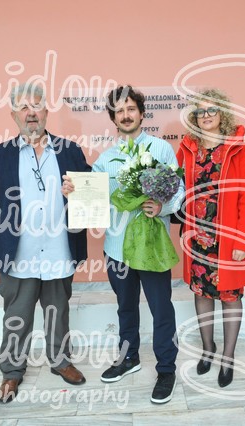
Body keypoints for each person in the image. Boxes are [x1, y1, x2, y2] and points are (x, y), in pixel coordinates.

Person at [63, 85, 183, 404]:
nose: (126, 115)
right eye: (119, 111)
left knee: (161, 309)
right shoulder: (105, 160)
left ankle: (166, 369)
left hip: (152, 247)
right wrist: (75, 193)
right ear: (113, 118)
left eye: (131, 109)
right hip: (116, 248)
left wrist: (162, 206)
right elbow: (95, 202)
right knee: (125, 308)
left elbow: (179, 192)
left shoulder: (161, 150)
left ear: (142, 114)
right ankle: (128, 358)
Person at [0, 84, 90, 404]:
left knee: (58, 310)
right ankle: (12, 370)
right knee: (17, 314)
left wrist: (78, 191)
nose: (31, 112)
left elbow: (90, 192)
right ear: (13, 115)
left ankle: (61, 361)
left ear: (46, 112)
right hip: (18, 252)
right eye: (24, 107)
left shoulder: (70, 150)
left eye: (36, 106)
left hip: (59, 248)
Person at [176, 88, 245, 388]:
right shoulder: (188, 147)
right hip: (197, 237)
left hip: (228, 240)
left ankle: (228, 356)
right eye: (200, 111)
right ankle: (208, 348)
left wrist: (242, 242)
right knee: (202, 293)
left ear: (222, 113)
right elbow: (175, 185)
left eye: (212, 110)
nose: (206, 116)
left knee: (230, 296)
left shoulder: (236, 148)